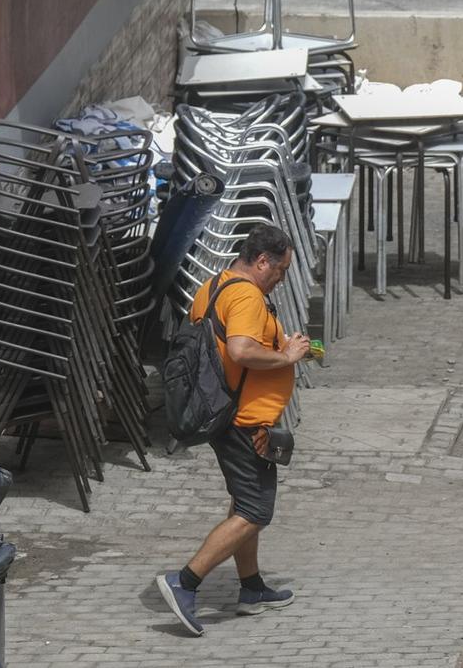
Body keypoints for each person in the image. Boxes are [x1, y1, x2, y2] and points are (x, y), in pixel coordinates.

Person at [156, 224, 310, 635]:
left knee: (244, 503)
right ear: (262, 261)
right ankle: (184, 582)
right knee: (254, 511)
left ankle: (252, 588)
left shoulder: (215, 286)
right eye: (280, 270)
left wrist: (282, 351)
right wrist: (287, 357)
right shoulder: (246, 295)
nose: (281, 278)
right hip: (245, 423)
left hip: (229, 413)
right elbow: (241, 350)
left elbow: (229, 350)